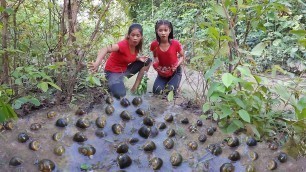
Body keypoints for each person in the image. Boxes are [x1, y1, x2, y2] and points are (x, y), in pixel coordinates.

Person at [88, 23, 151, 99]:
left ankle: (134, 88)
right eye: (132, 35)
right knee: (121, 95)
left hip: (123, 72)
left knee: (147, 61)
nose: (135, 38)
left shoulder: (136, 46)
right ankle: (111, 84)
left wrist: (138, 59)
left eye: (137, 36)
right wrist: (97, 63)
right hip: (112, 73)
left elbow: (126, 57)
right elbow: (105, 48)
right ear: (128, 35)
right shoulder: (123, 45)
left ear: (141, 37)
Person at [150, 20, 185, 95]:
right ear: (157, 31)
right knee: (156, 91)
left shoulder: (175, 43)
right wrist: (157, 67)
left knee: (169, 92)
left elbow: (182, 56)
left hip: (175, 71)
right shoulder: (154, 44)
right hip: (162, 72)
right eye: (160, 30)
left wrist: (176, 65)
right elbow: (155, 57)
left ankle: (174, 84)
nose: (163, 33)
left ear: (169, 31)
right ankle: (168, 83)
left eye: (165, 30)